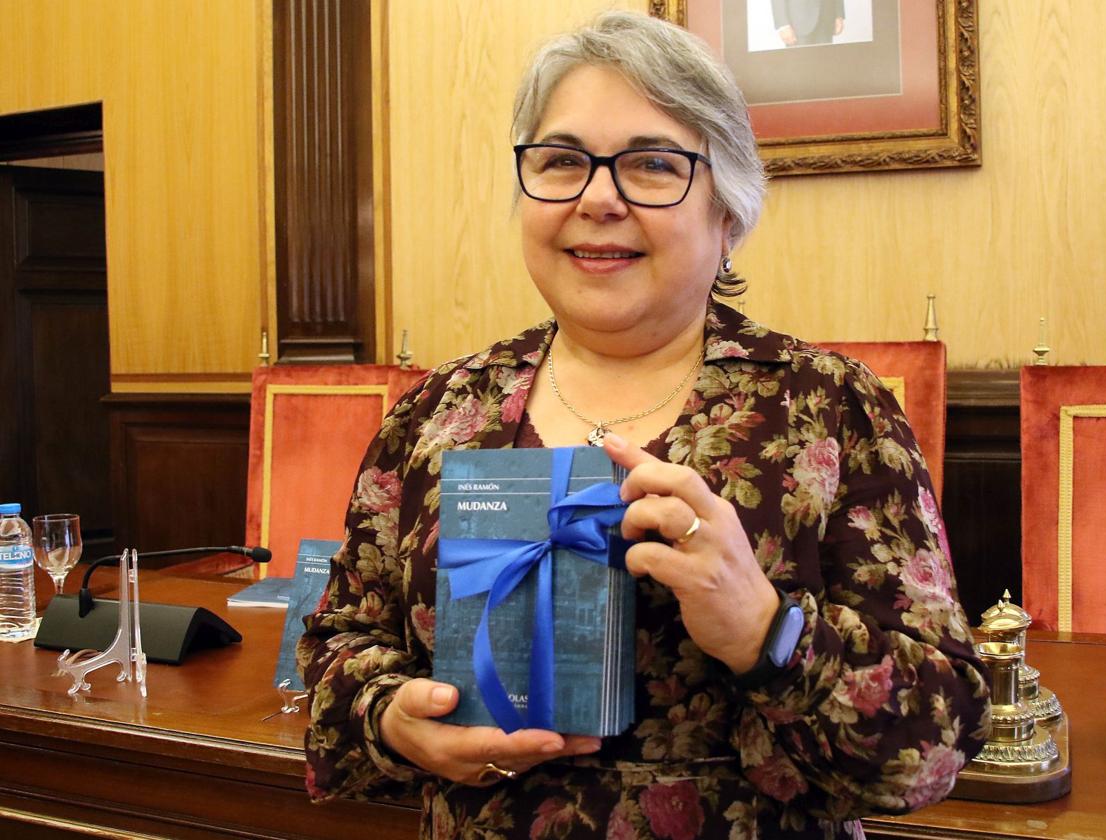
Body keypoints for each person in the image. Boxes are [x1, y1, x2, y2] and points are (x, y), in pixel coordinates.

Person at [299, 11, 989, 839]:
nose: (597, 198)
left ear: (726, 212)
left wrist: (768, 630)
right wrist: (392, 718)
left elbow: (937, 740)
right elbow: (335, 651)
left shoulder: (831, 410)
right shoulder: (438, 413)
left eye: (651, 165)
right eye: (561, 162)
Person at [772, 0, 846, 46]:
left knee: (825, 66)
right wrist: (783, 24)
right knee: (800, 67)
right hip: (798, 22)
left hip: (825, 17)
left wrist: (839, 14)